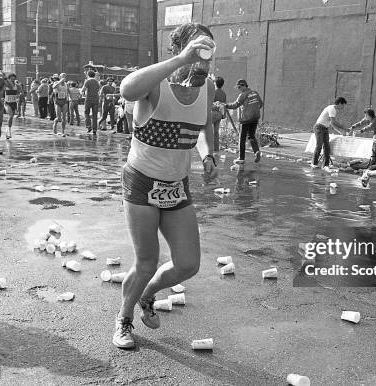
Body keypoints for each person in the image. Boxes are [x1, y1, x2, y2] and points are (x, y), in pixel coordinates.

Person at [113, 22, 216, 349]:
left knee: (188, 263)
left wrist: (209, 155)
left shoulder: (208, 88)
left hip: (177, 186)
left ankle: (147, 295)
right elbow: (127, 90)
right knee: (146, 261)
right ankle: (124, 320)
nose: (204, 58)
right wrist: (180, 61)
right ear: (178, 50)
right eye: (198, 49)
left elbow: (203, 126)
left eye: (208, 50)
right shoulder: (155, 84)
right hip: (141, 183)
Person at [224, 79, 264, 164]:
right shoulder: (255, 93)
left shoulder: (243, 95)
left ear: (243, 85)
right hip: (255, 118)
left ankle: (241, 158)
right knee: (251, 136)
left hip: (245, 120)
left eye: (239, 87)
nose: (238, 89)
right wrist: (253, 110)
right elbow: (261, 104)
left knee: (242, 138)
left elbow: (235, 105)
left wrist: (226, 105)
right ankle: (256, 151)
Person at [310, 97, 348, 170]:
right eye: (343, 105)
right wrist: (344, 128)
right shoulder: (332, 109)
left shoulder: (333, 109)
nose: (343, 107)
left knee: (327, 146)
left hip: (325, 128)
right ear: (340, 103)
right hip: (319, 127)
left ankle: (325, 165)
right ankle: (314, 163)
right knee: (319, 145)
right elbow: (333, 122)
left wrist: (340, 131)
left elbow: (331, 123)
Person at [81, 70, 100, 135]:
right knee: (95, 114)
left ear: (88, 75)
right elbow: (98, 90)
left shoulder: (87, 81)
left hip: (89, 99)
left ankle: (88, 126)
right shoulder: (97, 82)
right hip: (96, 99)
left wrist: (82, 93)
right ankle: (94, 129)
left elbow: (83, 90)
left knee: (86, 113)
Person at [211, 76, 227, 153]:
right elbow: (224, 105)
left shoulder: (213, 91)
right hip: (220, 114)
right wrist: (224, 115)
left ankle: (208, 148)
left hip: (213, 113)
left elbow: (210, 102)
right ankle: (216, 149)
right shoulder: (223, 93)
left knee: (207, 130)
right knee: (216, 132)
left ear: (215, 83)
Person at [3, 73, 19, 139]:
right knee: (11, 115)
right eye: (11, 77)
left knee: (11, 118)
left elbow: (22, 92)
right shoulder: (6, 85)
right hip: (7, 103)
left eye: (14, 77)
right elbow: (1, 91)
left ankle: (8, 129)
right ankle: (8, 131)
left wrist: (18, 95)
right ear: (9, 78)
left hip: (14, 103)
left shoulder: (17, 85)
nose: (13, 79)